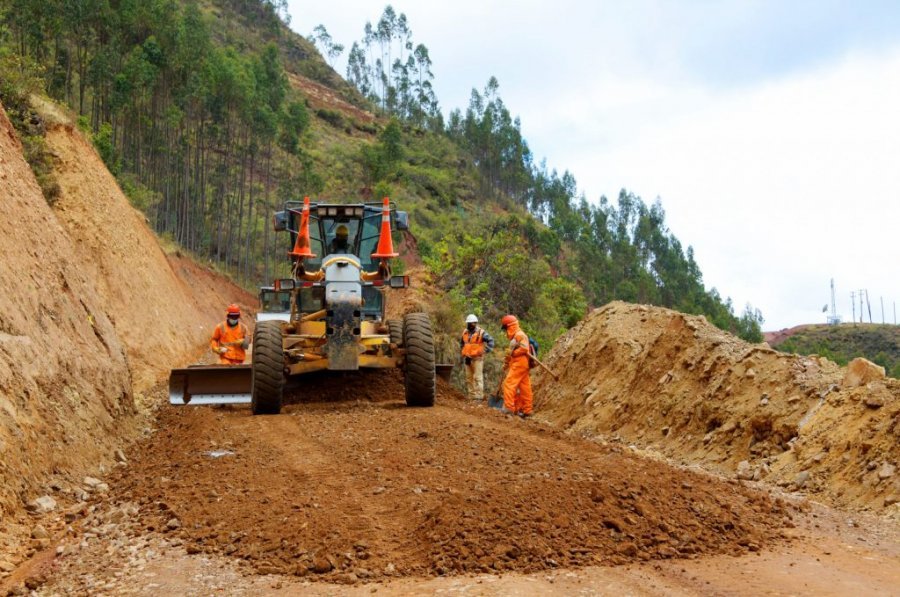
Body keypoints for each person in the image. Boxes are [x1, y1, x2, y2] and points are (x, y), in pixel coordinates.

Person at [500, 314, 533, 417]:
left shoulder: (519, 335)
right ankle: (527, 410)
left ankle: (509, 408)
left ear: (509, 326)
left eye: (505, 328)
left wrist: (513, 354)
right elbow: (512, 352)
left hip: (519, 364)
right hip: (522, 364)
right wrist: (507, 362)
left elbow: (524, 349)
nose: (505, 331)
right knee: (525, 387)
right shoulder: (516, 336)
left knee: (509, 384)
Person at [459, 314, 495, 401]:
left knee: (477, 377)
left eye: (473, 323)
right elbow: (462, 344)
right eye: (470, 323)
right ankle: (471, 396)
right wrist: (464, 352)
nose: (471, 324)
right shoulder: (465, 332)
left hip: (477, 359)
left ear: (475, 323)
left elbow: (491, 341)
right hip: (468, 359)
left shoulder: (481, 332)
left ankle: (479, 397)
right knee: (469, 378)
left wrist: (485, 351)